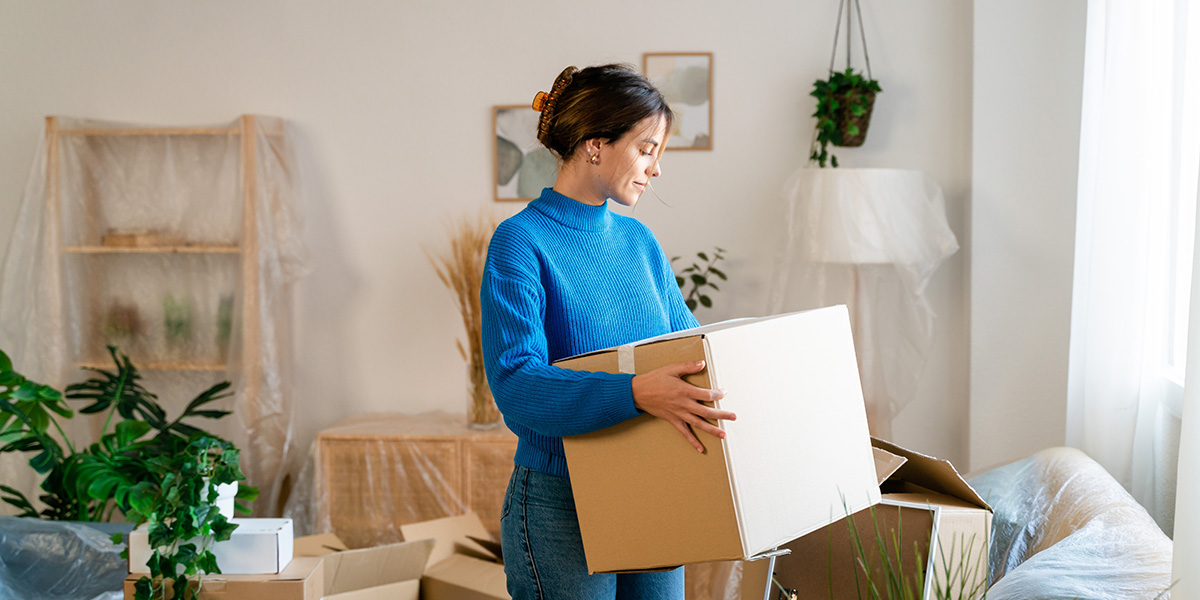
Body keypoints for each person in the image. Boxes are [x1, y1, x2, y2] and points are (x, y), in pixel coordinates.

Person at [481, 64, 737, 600]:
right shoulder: (521, 242)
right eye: (646, 150)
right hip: (559, 503)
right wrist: (636, 393)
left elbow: (691, 354)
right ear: (596, 145)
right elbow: (517, 386)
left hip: (654, 488)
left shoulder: (639, 242)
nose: (656, 169)